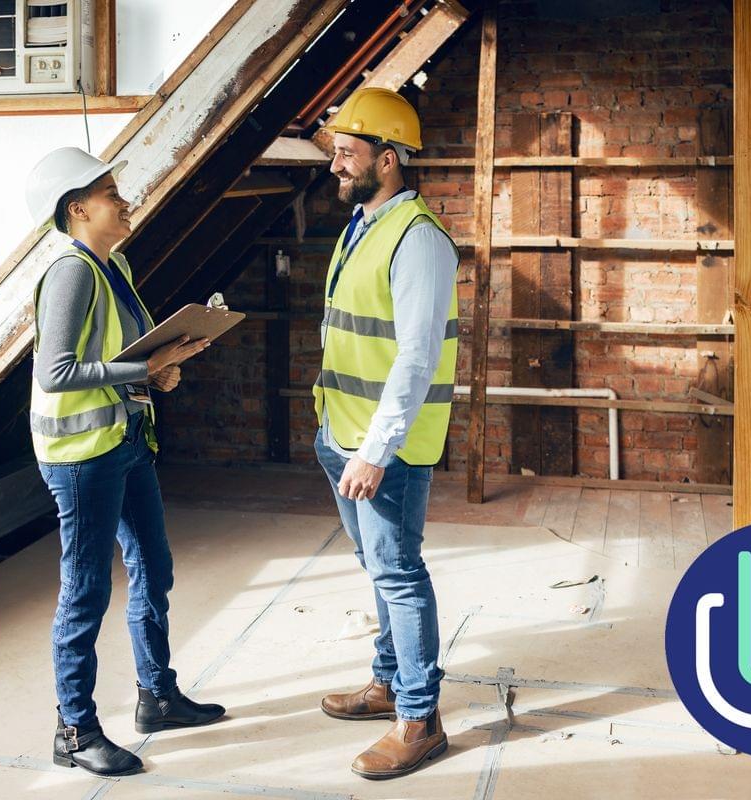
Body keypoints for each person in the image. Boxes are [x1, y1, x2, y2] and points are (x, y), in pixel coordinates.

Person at [25, 147, 226, 778]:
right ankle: (74, 730)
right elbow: (55, 373)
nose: (125, 199)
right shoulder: (72, 273)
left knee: (152, 566)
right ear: (78, 208)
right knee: (84, 592)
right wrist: (146, 369)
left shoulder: (114, 265)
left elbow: (117, 355)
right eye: (111, 193)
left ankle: (157, 697)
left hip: (125, 439)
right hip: (82, 456)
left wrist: (155, 376)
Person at [312, 88, 459, 779]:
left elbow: (417, 355)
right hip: (341, 429)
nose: (336, 165)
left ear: (390, 160)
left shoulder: (419, 239)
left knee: (398, 573)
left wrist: (376, 450)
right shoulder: (364, 224)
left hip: (384, 447)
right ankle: (387, 681)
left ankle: (420, 717)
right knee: (378, 566)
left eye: (348, 153)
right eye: (337, 152)